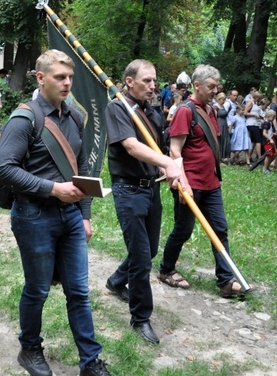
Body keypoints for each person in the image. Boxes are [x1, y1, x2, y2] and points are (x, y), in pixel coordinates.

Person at [0, 49, 110, 376]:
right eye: (60, 77)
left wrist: (85, 215)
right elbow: (3, 170)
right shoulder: (24, 119)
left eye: (70, 77)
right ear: (41, 78)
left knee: (79, 292)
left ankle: (90, 361)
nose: (67, 82)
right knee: (38, 289)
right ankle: (29, 349)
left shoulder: (75, 117)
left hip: (71, 218)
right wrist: (53, 189)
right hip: (33, 216)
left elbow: (82, 166)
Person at [104, 59, 188, 345]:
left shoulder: (152, 111)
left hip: (151, 190)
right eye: (147, 81)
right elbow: (131, 145)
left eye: (154, 81)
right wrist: (166, 161)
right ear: (129, 81)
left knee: (150, 249)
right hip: (128, 190)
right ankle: (140, 318)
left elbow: (161, 147)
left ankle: (116, 281)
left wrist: (171, 168)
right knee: (141, 258)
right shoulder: (117, 108)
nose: (153, 87)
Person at [159, 64, 252, 299]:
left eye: (217, 86)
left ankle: (226, 281)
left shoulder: (210, 110)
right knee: (183, 230)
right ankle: (166, 269)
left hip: (211, 184)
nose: (215, 90)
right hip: (189, 184)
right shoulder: (185, 111)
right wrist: (183, 183)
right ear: (196, 85)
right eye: (211, 86)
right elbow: (175, 150)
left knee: (219, 229)